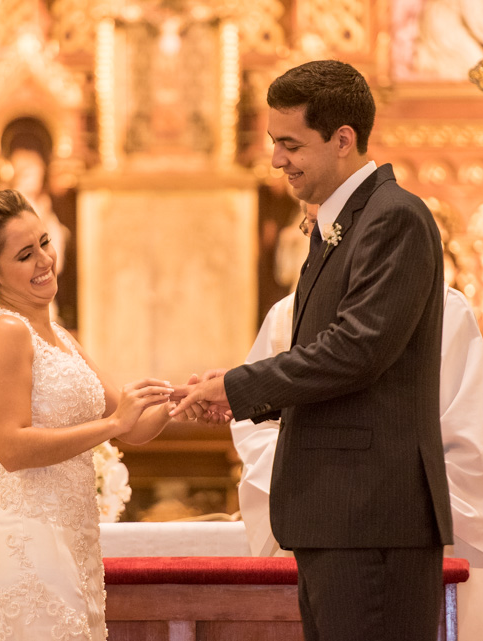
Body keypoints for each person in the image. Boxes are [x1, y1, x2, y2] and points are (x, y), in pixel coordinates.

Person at [171, 60, 453, 641]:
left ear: (343, 140)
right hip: (341, 514)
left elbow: (356, 349)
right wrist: (239, 387)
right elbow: (331, 356)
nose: (277, 160)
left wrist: (239, 388)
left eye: (291, 144)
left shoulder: (394, 218)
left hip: (372, 515)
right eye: (275, 142)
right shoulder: (341, 224)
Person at [0, 185, 175, 641]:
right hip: (31, 548)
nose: (45, 260)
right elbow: (12, 448)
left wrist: (180, 401)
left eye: (44, 242)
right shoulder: (5, 332)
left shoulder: (59, 335)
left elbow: (133, 428)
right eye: (25, 255)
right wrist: (112, 425)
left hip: (75, 545)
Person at [231, 283, 483, 640]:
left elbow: (473, 443)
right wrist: (312, 481)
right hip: (313, 526)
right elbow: (255, 430)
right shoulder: (287, 316)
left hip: (413, 537)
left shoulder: (442, 309)